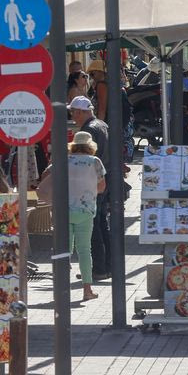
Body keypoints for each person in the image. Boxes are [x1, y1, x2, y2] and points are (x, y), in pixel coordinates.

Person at [38, 131, 106, 301]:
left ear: (74, 145)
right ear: (90, 146)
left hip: (63, 211)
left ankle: (61, 290)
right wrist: (87, 191)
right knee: (84, 251)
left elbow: (45, 176)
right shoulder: (95, 161)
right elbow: (102, 187)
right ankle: (87, 290)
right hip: (85, 211)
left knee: (63, 251)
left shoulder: (63, 160)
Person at [68, 96, 112, 281]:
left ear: (80, 112)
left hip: (91, 187)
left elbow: (88, 160)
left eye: (73, 113)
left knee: (93, 229)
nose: (73, 117)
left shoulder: (89, 130)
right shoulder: (101, 124)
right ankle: (107, 266)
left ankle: (98, 268)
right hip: (102, 181)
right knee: (102, 225)